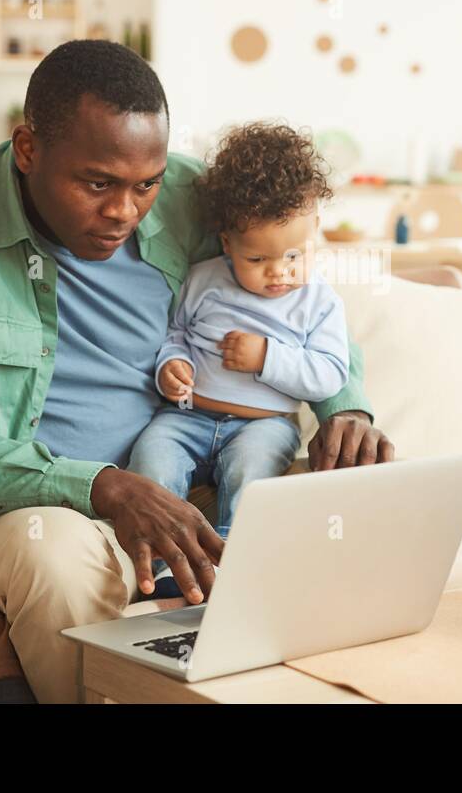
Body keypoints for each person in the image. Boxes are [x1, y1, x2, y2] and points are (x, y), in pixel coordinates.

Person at [0, 40, 395, 702]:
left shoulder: (186, 194)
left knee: (354, 509)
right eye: (97, 184)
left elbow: (292, 297)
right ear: (28, 150)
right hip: (26, 516)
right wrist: (106, 489)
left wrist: (347, 403)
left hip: (189, 480)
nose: (125, 210)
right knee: (55, 555)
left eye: (145, 184)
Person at [129, 123, 349, 594]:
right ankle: (167, 560)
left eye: (294, 255)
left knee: (251, 473)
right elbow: (178, 333)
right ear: (227, 244)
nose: (279, 272)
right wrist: (173, 366)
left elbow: (329, 375)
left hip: (262, 424)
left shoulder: (319, 302)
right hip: (188, 416)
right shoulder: (204, 279)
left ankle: (231, 564)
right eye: (257, 260)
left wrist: (267, 356)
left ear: (316, 232)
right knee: (152, 457)